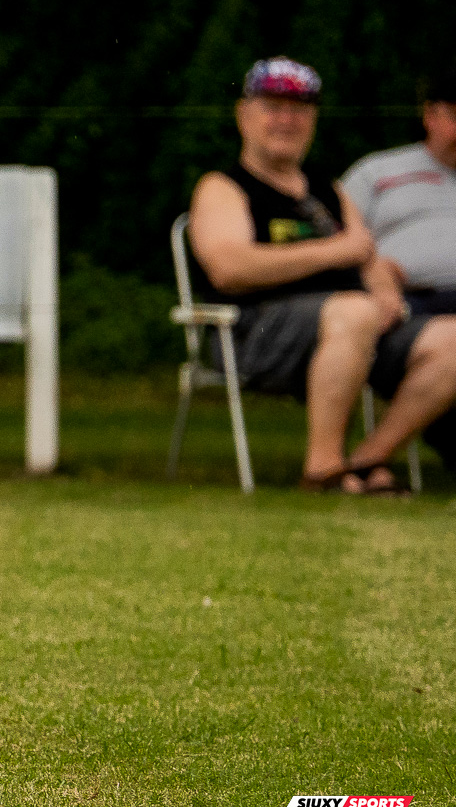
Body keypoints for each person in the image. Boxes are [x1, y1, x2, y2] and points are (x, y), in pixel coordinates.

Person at [188, 57, 456, 493]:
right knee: (353, 311)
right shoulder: (223, 188)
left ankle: (370, 459)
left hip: (353, 327)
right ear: (244, 115)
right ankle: (324, 468)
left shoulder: (326, 190)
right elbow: (228, 268)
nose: (286, 120)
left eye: (299, 110)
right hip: (254, 334)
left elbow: (366, 256)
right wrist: (334, 252)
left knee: (450, 339)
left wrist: (386, 293)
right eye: (272, 108)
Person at [341, 71, 456, 315]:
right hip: (406, 303)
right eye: (455, 115)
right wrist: (375, 274)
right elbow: (336, 239)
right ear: (430, 116)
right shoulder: (376, 172)